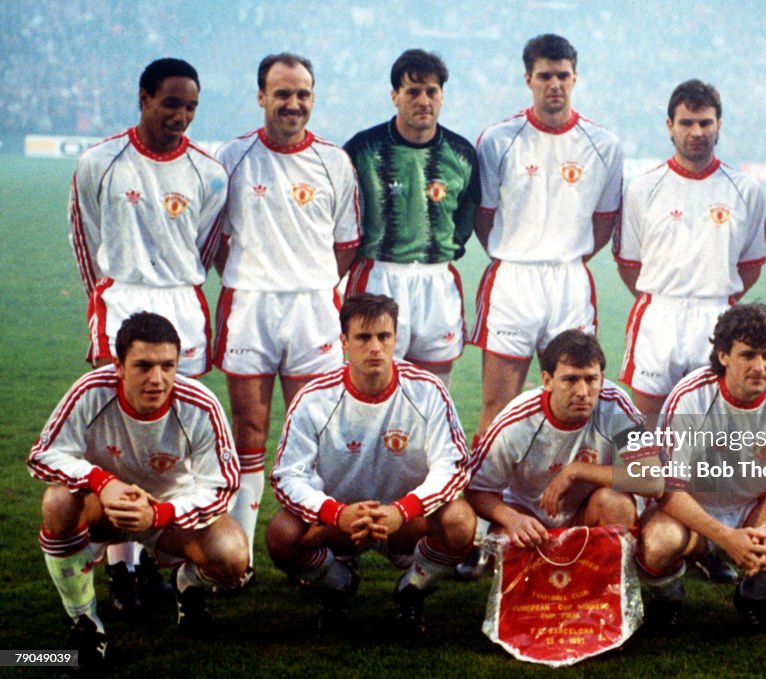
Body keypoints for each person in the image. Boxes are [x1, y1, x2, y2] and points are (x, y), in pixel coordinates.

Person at [67, 57, 228, 611]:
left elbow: (203, 249)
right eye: (171, 104)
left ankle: (178, 559)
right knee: (116, 436)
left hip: (181, 304)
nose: (181, 116)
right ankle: (123, 570)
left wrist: (177, 284)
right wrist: (104, 296)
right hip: (120, 298)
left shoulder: (210, 171)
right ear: (143, 98)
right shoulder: (99, 161)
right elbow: (85, 239)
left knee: (176, 434)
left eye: (190, 107)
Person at [27, 312, 247, 669]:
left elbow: (222, 485)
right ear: (119, 365)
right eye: (143, 366)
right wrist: (103, 482)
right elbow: (43, 455)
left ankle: (186, 584)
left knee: (233, 556)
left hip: (168, 516)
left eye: (167, 366)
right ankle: (85, 622)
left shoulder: (199, 405)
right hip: (104, 509)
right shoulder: (91, 391)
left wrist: (159, 513)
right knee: (57, 502)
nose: (157, 379)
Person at [213, 53, 361, 581]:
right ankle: (242, 553)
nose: (293, 103)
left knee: (316, 435)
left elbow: (346, 243)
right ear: (261, 97)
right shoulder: (231, 157)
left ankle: (319, 545)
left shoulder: (333, 162)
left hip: (312, 310)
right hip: (249, 305)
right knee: (249, 431)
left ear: (313, 97)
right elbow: (214, 241)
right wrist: (259, 275)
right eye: (282, 93)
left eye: (302, 93)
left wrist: (307, 279)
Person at [266, 293, 476, 638]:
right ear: (344, 342)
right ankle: (338, 586)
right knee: (282, 535)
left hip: (407, 522)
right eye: (363, 338)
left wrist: (403, 510)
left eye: (384, 336)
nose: (375, 347)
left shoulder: (427, 390)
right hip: (341, 523)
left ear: (396, 339)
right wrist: (336, 513)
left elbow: (451, 466)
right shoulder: (314, 398)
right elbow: (288, 475)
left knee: (460, 521)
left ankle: (411, 591)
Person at [638, 304, 766, 633]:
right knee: (659, 543)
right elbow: (666, 489)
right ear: (722, 355)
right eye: (748, 355)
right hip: (692, 509)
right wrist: (726, 538)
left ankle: (754, 594)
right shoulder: (691, 398)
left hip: (752, 508)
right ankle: (668, 597)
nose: (760, 367)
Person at [471, 33, 624, 436]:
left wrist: (564, 254)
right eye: (544, 76)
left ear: (575, 78)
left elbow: (604, 220)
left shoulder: (603, 144)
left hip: (569, 280)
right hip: (514, 280)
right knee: (498, 404)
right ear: (528, 79)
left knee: (575, 402)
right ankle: (486, 495)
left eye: (562, 75)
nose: (554, 84)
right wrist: (519, 251)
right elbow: (483, 216)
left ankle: (568, 494)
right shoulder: (497, 140)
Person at [615, 79, 766, 418]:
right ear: (669, 126)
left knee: (713, 433)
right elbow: (629, 263)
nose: (696, 132)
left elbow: (752, 265)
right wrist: (665, 295)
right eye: (686, 123)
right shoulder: (643, 188)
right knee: (649, 434)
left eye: (705, 123)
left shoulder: (745, 190)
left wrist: (711, 295)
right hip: (658, 316)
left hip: (717, 317)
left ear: (719, 125)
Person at [343, 49, 479, 386]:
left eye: (431, 91)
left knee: (434, 385)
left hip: (437, 278)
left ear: (442, 96)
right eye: (412, 91)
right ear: (395, 96)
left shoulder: (461, 153)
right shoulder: (363, 148)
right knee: (374, 379)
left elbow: (468, 213)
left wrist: (444, 247)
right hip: (379, 274)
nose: (423, 100)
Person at [466, 330, 654, 549]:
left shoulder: (615, 405)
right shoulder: (517, 421)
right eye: (570, 380)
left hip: (585, 512)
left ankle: (608, 577)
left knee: (617, 504)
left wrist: (577, 471)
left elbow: (653, 479)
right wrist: (512, 519)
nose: (583, 392)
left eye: (591, 379)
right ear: (548, 381)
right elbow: (475, 489)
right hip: (527, 516)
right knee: (509, 539)